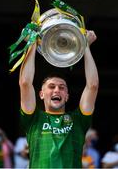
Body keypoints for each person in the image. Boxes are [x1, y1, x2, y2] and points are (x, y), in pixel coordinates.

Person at [19, 30, 99, 168]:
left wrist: (85, 46)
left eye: (62, 87)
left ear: (67, 96)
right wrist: (32, 44)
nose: (57, 90)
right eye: (51, 87)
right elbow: (25, 83)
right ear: (41, 94)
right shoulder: (33, 119)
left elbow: (92, 85)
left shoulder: (78, 120)